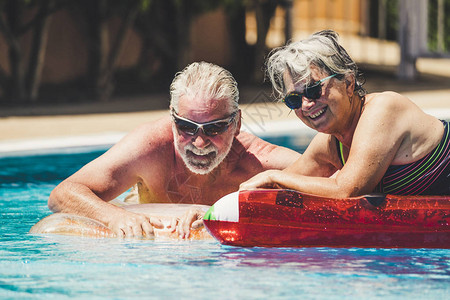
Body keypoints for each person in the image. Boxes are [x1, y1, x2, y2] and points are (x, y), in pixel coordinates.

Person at [48, 61, 300, 238]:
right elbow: (62, 194)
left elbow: (336, 184)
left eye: (214, 129)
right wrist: (114, 217)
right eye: (187, 127)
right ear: (172, 119)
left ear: (236, 124)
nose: (199, 143)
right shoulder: (149, 148)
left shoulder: (261, 163)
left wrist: (215, 213)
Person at [240, 30, 449, 196]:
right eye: (293, 99)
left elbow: (346, 190)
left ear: (348, 83)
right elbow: (272, 189)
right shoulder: (330, 144)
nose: (306, 104)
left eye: (313, 90)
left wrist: (273, 176)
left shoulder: (384, 109)